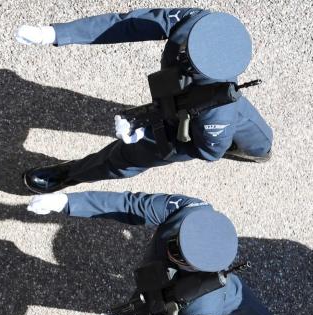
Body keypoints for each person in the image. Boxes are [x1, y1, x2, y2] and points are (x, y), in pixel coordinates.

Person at [16, 191, 272, 315]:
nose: (171, 250)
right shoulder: (190, 209)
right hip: (155, 285)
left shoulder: (203, 307)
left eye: (182, 256)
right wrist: (69, 202)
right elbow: (132, 205)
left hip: (191, 301)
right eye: (175, 242)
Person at [16, 9, 272, 192]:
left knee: (127, 158)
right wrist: (55, 33)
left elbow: (206, 150)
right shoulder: (198, 23)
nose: (182, 47)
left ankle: (71, 174)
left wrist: (149, 133)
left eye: (189, 53)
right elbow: (129, 24)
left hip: (215, 137)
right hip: (184, 106)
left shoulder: (216, 116)